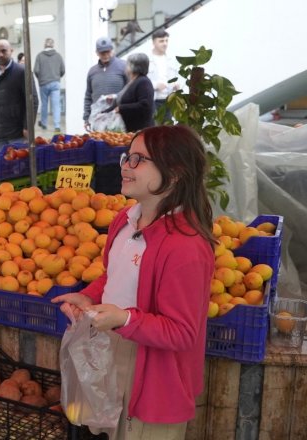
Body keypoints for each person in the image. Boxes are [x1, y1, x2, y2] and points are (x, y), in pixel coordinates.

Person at [52, 125, 215, 440]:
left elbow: (183, 332)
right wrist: (88, 297)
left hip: (155, 373)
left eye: (140, 159)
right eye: (128, 156)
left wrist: (123, 318)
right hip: (114, 348)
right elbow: (113, 275)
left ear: (176, 171)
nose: (126, 165)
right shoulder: (124, 221)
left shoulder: (186, 246)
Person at [0, 39, 38, 152]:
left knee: (19, 167)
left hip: (17, 132)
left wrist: (28, 126)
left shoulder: (22, 72)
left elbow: (32, 101)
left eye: (4, 51)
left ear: (11, 51)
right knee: (1, 166)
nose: (1, 54)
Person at [83, 37, 128, 131]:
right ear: (96, 53)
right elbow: (88, 96)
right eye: (102, 52)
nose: (105, 55)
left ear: (112, 50)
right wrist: (86, 118)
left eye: (107, 51)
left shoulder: (124, 66)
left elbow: (130, 90)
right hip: (98, 118)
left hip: (118, 117)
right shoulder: (92, 71)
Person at [108, 53, 155, 132]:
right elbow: (121, 102)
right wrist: (104, 112)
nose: (125, 67)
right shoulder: (132, 82)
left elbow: (145, 105)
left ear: (133, 67)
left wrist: (121, 108)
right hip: (130, 130)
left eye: (128, 64)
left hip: (140, 131)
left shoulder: (143, 82)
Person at [33, 38, 65, 133]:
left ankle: (44, 123)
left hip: (43, 83)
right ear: (53, 45)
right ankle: (57, 126)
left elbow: (36, 70)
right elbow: (63, 70)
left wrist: (41, 78)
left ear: (45, 45)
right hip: (55, 83)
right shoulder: (58, 56)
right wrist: (57, 77)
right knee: (56, 105)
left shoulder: (39, 56)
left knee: (44, 104)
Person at [147, 29, 179, 121]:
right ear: (153, 42)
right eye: (161, 41)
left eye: (166, 41)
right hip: (153, 100)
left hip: (169, 100)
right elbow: (142, 80)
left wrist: (176, 84)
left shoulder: (171, 59)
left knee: (167, 129)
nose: (165, 43)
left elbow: (177, 76)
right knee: (154, 128)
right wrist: (155, 85)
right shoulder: (147, 59)